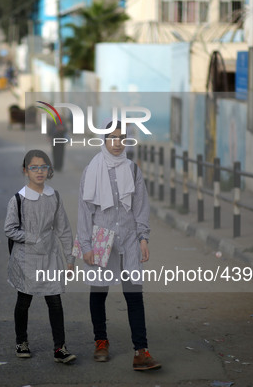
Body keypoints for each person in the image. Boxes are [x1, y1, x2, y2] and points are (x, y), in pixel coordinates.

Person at [77, 122, 161, 371]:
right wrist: (86, 245)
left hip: (128, 240)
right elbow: (84, 212)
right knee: (99, 293)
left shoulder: (133, 170)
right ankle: (101, 342)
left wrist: (143, 238)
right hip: (101, 239)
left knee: (134, 295)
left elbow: (140, 207)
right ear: (103, 140)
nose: (117, 142)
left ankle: (141, 351)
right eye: (112, 137)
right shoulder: (91, 170)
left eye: (122, 138)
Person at [4, 150, 77, 364]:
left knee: (55, 301)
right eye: (34, 167)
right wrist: (32, 238)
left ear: (49, 170)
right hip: (26, 259)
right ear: (25, 171)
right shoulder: (18, 199)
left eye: (43, 167)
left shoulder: (54, 196)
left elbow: (63, 229)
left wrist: (70, 258)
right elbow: (9, 229)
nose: (39, 171)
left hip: (49, 258)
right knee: (24, 301)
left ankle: (60, 348)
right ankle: (21, 342)